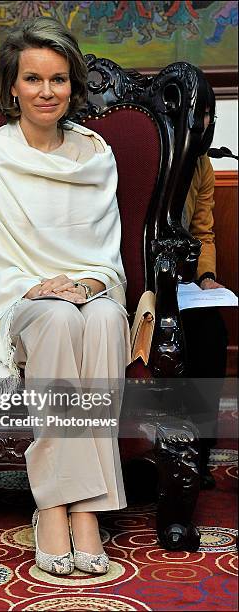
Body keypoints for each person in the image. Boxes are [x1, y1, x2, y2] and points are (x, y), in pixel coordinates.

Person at [0, 16, 130, 576]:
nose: (46, 92)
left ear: (73, 85)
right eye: (33, 79)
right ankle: (60, 506)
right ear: (11, 85)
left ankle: (79, 505)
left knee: (107, 320)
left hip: (85, 295)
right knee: (58, 320)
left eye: (58, 79)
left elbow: (104, 255)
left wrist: (86, 283)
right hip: (14, 302)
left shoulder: (95, 157)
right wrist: (34, 287)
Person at [181, 79, 229, 489]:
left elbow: (203, 234)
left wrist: (206, 277)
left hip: (182, 278)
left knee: (210, 332)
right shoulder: (135, 151)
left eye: (203, 115)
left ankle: (198, 449)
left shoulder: (203, 165)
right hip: (129, 277)